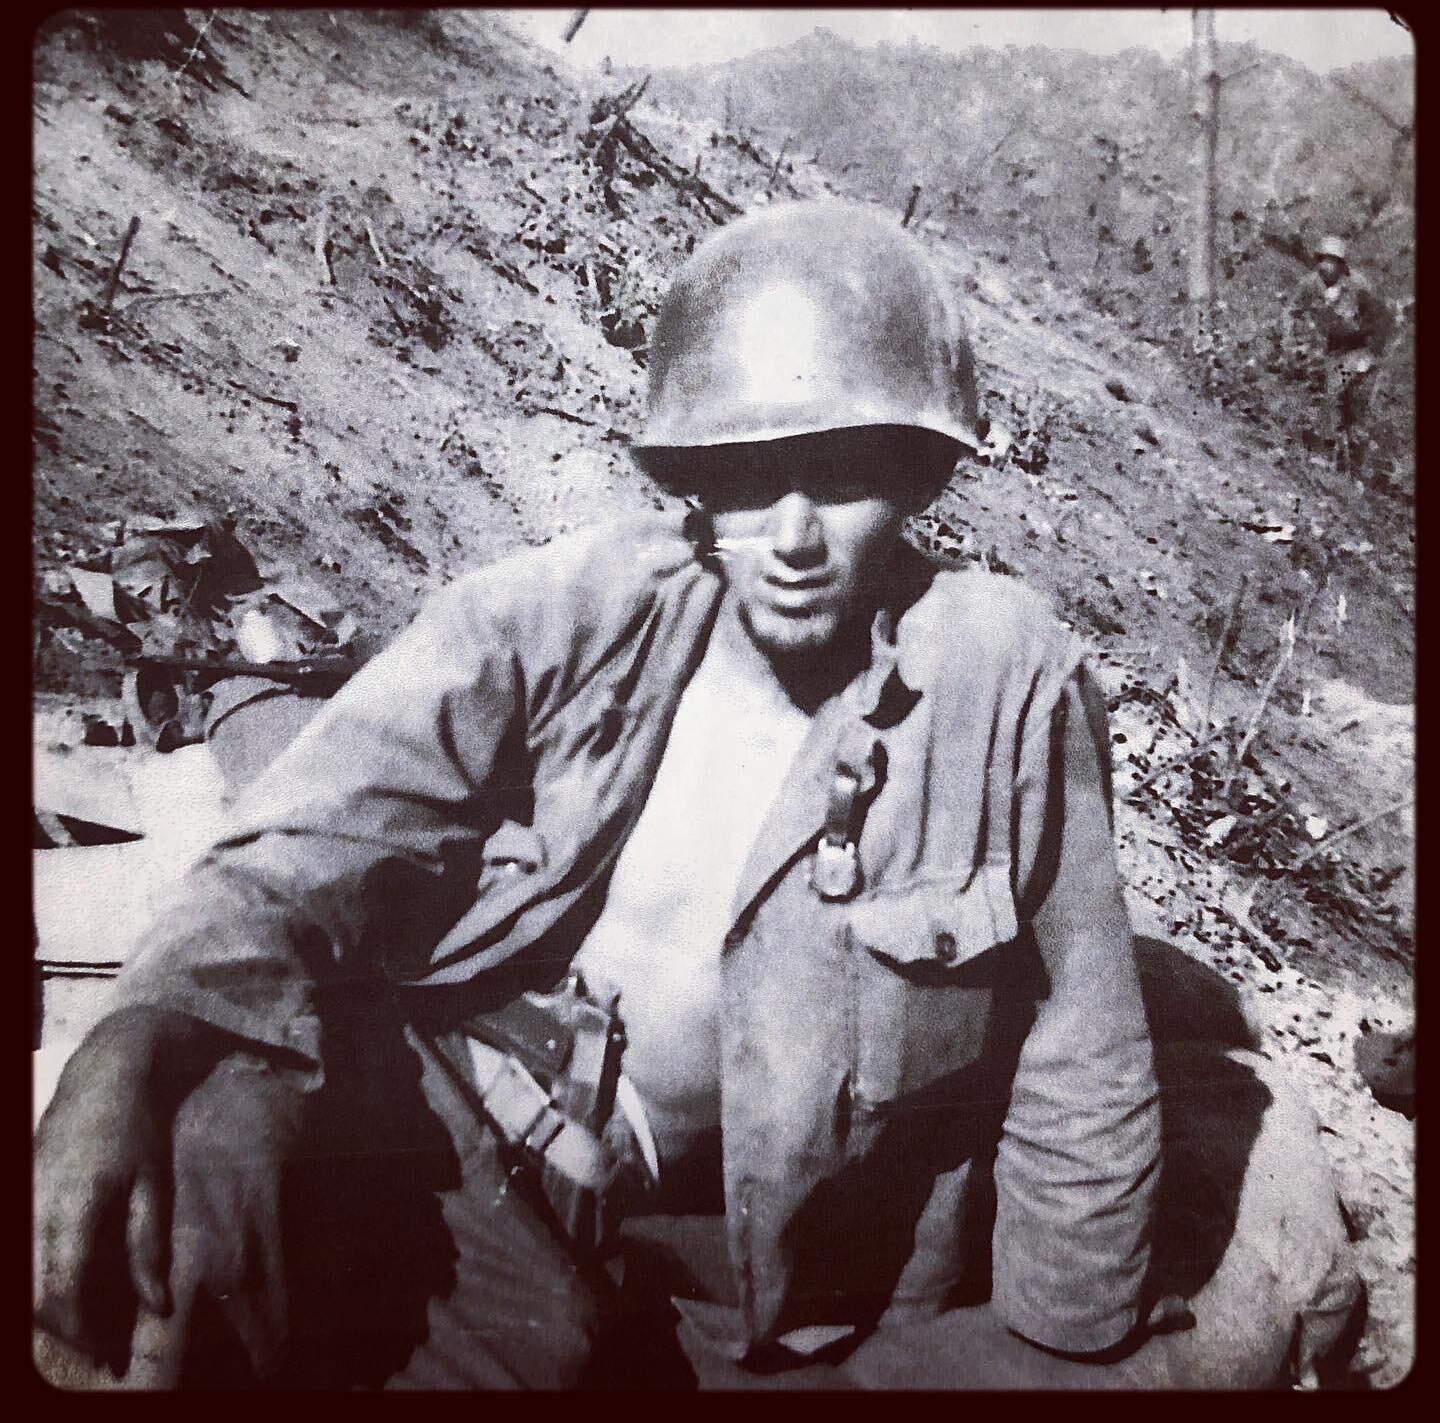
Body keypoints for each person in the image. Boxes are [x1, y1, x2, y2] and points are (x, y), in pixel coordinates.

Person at [33, 200, 1357, 1390]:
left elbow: (1080, 1033)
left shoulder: (1003, 681)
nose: (788, 537)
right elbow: (320, 831)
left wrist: (1071, 1335)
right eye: (745, 477)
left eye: (838, 477)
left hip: (739, 1279)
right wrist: (130, 1038)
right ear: (690, 482)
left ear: (913, 479)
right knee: (171, 1232)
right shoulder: (568, 611)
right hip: (446, 1153)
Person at [1287, 235, 1392, 481]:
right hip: (1330, 348)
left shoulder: (1359, 286)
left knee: (1344, 394)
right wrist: (1293, 342)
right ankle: (1329, 449)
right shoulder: (1309, 285)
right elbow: (1292, 312)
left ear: (1342, 265)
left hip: (1360, 349)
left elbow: (1382, 320)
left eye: (1334, 261)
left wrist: (1372, 354)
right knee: (1326, 392)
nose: (1328, 266)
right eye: (1324, 260)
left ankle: (1332, 454)